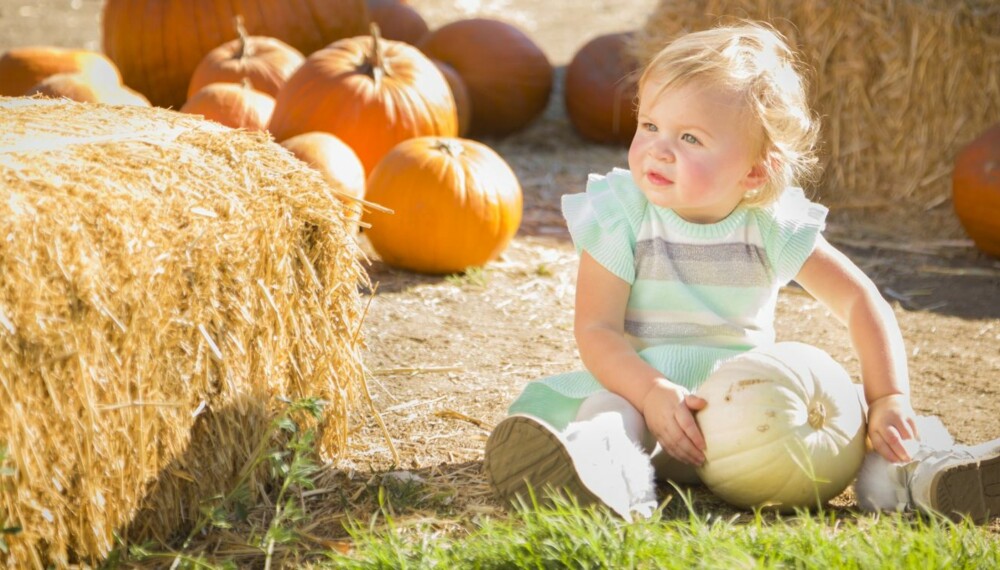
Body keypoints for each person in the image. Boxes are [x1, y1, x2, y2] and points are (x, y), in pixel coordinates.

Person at [483, 21, 1000, 523]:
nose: (659, 148)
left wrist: (888, 398)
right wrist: (650, 391)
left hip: (754, 421)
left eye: (690, 137)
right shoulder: (622, 212)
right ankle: (603, 475)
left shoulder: (769, 225)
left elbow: (860, 301)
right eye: (650, 125)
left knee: (863, 426)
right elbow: (596, 329)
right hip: (650, 410)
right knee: (607, 409)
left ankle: (927, 474)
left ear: (755, 171)